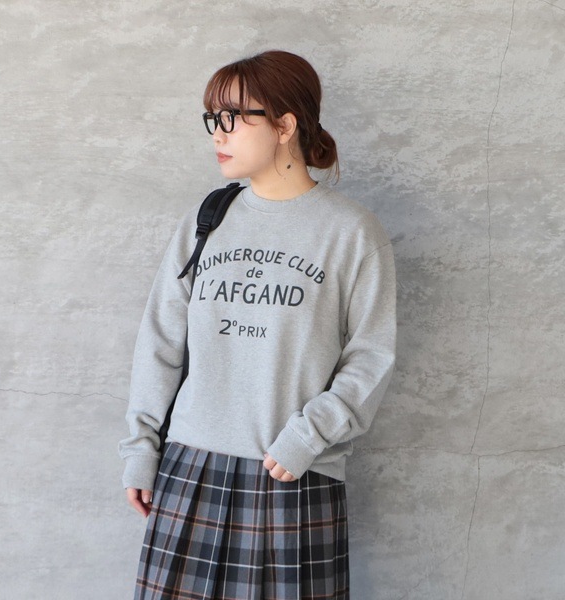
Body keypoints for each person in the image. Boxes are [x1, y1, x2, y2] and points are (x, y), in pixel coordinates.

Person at [119, 49, 396, 600]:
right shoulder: (206, 221)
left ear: (284, 126)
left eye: (233, 117)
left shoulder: (351, 232)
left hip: (292, 470)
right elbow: (160, 344)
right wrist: (141, 450)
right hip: (189, 466)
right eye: (213, 118)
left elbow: (372, 356)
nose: (218, 134)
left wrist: (306, 438)